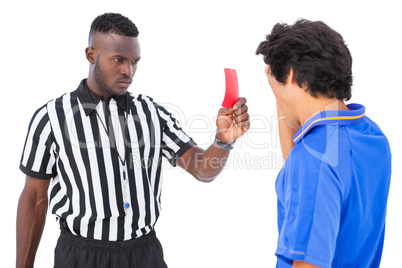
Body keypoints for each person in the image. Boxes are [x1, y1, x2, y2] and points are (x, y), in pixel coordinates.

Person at [17, 13, 250, 268]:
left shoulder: (151, 112)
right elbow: (34, 198)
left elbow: (203, 170)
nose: (128, 70)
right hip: (80, 255)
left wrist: (223, 141)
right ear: (91, 55)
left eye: (134, 61)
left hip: (144, 253)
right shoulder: (51, 117)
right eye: (118, 59)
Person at [256, 19, 391, 268]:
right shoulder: (370, 135)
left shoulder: (313, 161)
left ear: (293, 75)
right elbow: (306, 181)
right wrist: (280, 89)